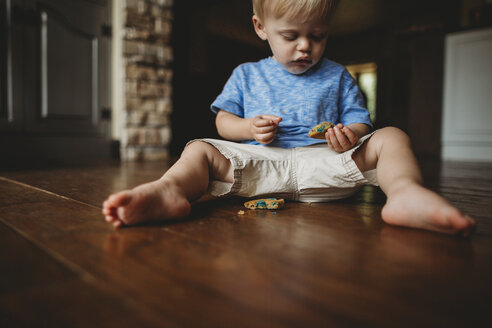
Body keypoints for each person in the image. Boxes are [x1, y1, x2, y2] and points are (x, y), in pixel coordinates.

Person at [102, 0, 476, 236]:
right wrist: (248, 128)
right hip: (259, 165)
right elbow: (223, 122)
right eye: (291, 35)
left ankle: (405, 193)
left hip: (325, 164)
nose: (305, 46)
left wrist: (349, 135)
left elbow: (362, 122)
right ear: (261, 28)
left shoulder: (338, 75)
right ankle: (171, 191)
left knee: (392, 137)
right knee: (198, 149)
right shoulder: (247, 74)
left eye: (318, 36)